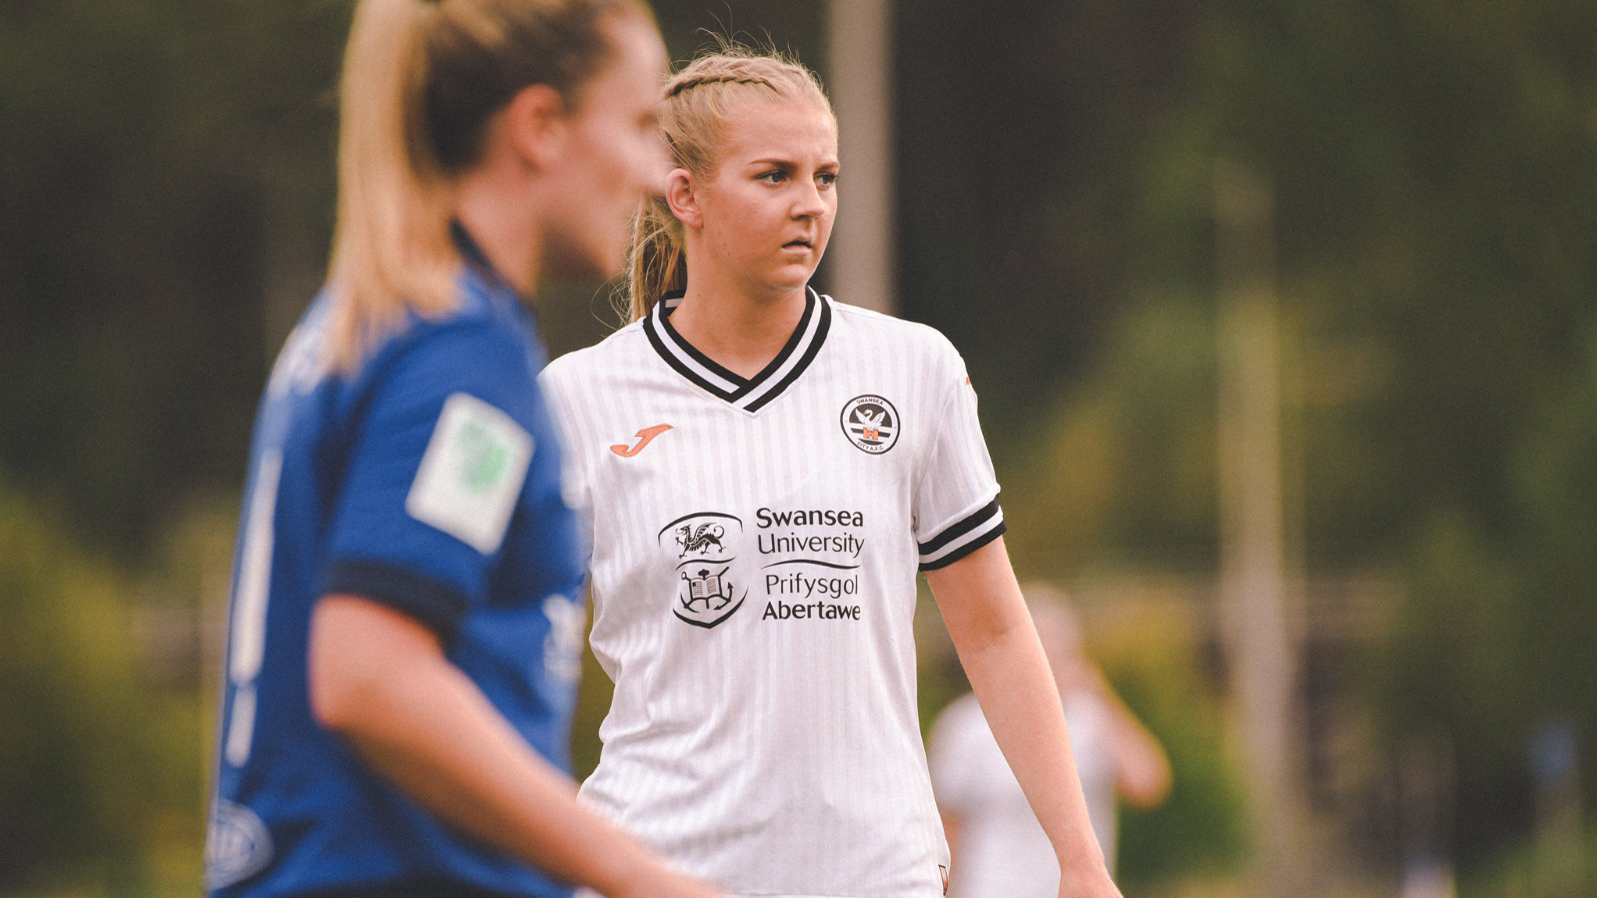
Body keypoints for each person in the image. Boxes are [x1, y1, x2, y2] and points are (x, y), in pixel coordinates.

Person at [539, 44, 1124, 898]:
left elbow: (995, 631)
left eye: (826, 176)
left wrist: (1078, 857)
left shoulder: (912, 370)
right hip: (654, 870)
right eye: (774, 176)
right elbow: (507, 655)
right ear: (685, 197)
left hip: (873, 875)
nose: (809, 204)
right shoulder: (579, 397)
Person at [204, 2, 725, 897]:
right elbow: (369, 673)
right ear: (539, 127)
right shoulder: (462, 362)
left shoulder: (372, 322)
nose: (654, 172)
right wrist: (644, 878)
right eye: (639, 125)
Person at [929, 585, 1172, 898]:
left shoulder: (1090, 719)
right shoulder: (965, 725)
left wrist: (1097, 694)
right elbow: (949, 832)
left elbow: (1147, 783)